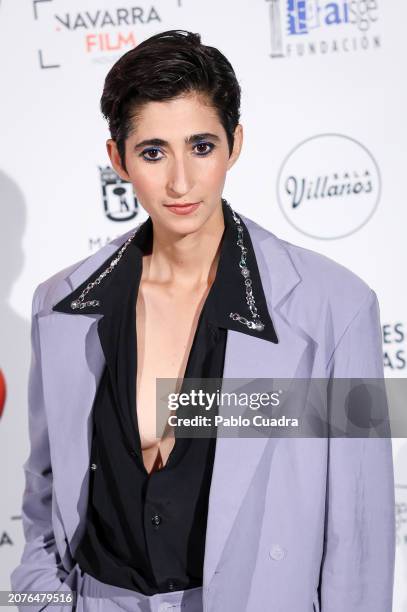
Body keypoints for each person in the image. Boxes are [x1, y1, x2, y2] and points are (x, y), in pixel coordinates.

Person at [11, 29, 395, 612]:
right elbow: (45, 495)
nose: (181, 182)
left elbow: (359, 536)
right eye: (153, 152)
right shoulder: (60, 304)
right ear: (118, 160)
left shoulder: (333, 308)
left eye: (201, 146)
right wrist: (33, 604)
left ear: (234, 144)